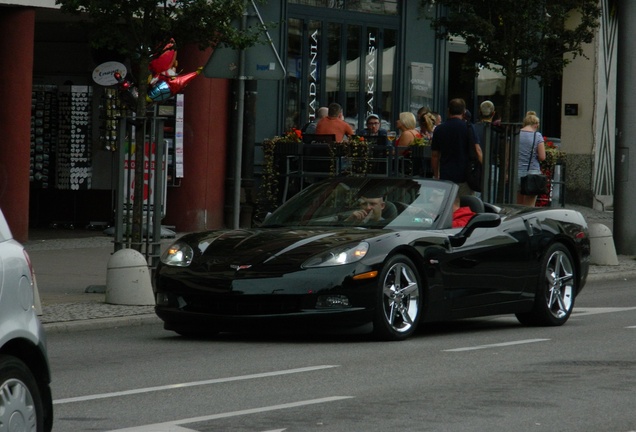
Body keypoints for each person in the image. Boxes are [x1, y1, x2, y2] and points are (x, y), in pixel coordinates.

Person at [431, 98, 483, 197]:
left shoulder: (439, 129)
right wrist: (483, 169)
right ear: (464, 112)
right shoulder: (469, 127)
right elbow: (478, 150)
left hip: (446, 176)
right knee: (465, 207)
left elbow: (435, 155)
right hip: (465, 176)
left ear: (448, 110)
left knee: (447, 207)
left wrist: (436, 174)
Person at [517, 110, 546, 206]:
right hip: (532, 173)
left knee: (518, 205)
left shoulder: (516, 134)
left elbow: (509, 156)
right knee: (529, 206)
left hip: (517, 172)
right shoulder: (537, 136)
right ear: (536, 124)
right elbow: (542, 157)